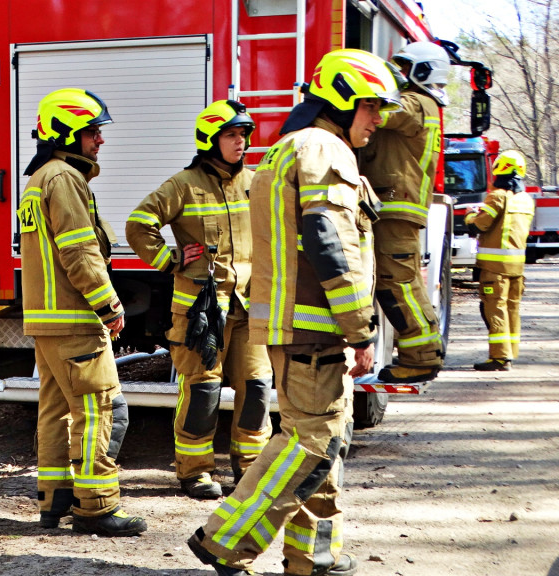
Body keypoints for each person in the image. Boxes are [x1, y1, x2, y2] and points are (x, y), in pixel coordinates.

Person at [186, 49, 403, 576]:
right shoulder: (325, 150)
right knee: (308, 443)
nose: (378, 119)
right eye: (372, 107)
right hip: (317, 327)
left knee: (327, 440)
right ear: (343, 99)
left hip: (301, 326)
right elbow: (329, 243)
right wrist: (360, 327)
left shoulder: (291, 149)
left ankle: (312, 555)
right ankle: (225, 541)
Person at [126, 100, 272, 500]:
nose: (240, 142)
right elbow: (139, 225)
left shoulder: (255, 182)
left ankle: (251, 469)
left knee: (257, 388)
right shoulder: (183, 185)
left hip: (250, 306)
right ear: (210, 139)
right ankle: (195, 471)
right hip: (201, 312)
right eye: (231, 135)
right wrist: (171, 260)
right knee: (203, 391)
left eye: (243, 135)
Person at [17, 87, 147, 537]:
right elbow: (80, 251)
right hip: (74, 320)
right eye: (93, 131)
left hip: (46, 321)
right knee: (98, 411)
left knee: (55, 411)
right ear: (70, 133)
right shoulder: (64, 179)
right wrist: (108, 303)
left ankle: (53, 503)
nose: (100, 140)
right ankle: (96, 507)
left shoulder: (37, 180)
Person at [359, 41, 450, 384]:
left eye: (402, 65)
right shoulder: (426, 104)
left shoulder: (416, 102)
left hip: (396, 206)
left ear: (422, 70)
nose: (396, 71)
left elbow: (385, 113)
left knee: (396, 283)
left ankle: (421, 356)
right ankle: (423, 353)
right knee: (402, 282)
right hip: (397, 206)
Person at [464, 150, 535, 371]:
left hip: (495, 269)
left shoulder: (498, 196)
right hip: (517, 268)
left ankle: (499, 357)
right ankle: (509, 353)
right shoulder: (526, 200)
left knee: (495, 310)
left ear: (499, 169)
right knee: (512, 309)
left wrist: (469, 215)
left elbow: (479, 225)